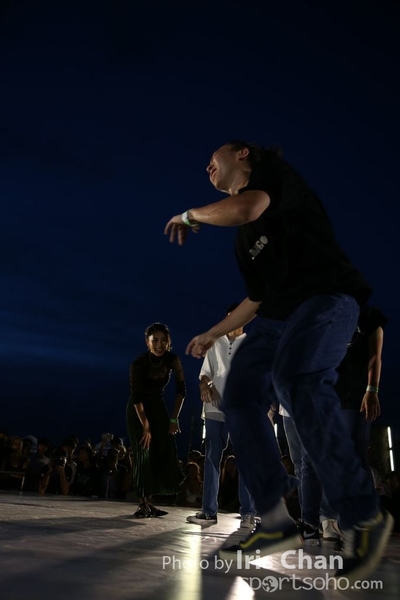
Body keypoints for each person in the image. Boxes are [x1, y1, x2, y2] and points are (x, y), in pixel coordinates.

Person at [164, 140, 393, 584]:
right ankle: (274, 519)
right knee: (239, 395)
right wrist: (213, 332)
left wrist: (190, 215)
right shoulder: (243, 242)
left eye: (214, 159)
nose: (207, 167)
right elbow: (256, 299)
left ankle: (362, 515)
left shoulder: (273, 176)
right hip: (276, 318)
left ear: (242, 155)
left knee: (297, 380)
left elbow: (248, 208)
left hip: (326, 299)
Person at [282, 304, 387, 545]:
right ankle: (310, 524)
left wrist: (372, 389)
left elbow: (375, 355)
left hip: (354, 396)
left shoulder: (369, 315)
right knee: (310, 459)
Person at [186, 303, 256, 528]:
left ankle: (248, 513)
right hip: (214, 406)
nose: (231, 320)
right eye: (228, 316)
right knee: (211, 458)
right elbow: (205, 373)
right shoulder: (215, 343)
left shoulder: (253, 344)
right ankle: (208, 511)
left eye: (236, 316)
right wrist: (204, 385)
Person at [126, 322, 186, 518]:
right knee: (143, 453)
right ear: (147, 342)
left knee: (162, 451)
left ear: (169, 341)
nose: (159, 345)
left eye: (163, 340)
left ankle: (151, 503)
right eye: (155, 341)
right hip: (139, 410)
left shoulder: (172, 359)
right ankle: (143, 504)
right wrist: (145, 425)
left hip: (159, 407)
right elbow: (136, 397)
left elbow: (181, 391)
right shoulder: (139, 363)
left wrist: (174, 418)